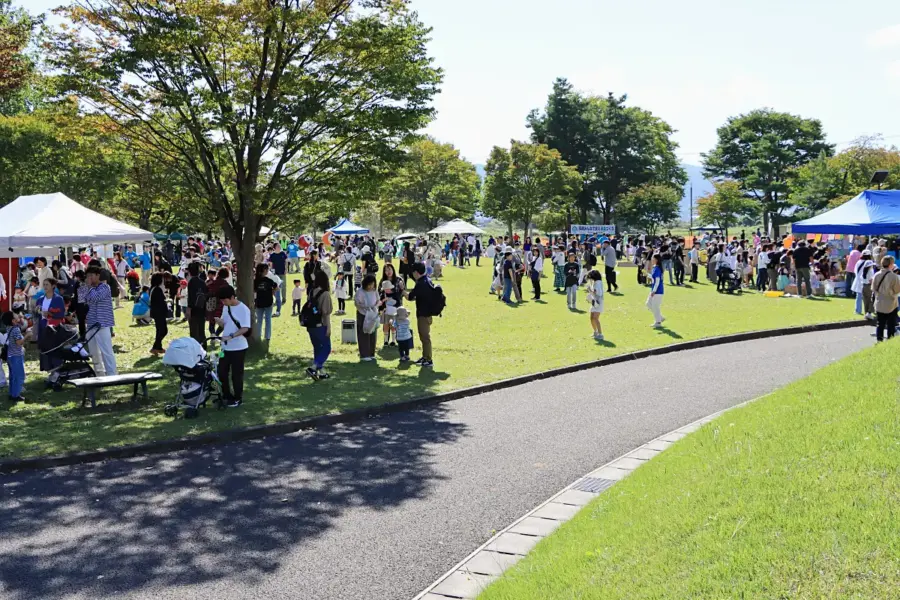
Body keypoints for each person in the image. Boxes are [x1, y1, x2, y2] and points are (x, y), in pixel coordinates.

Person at [216, 284, 250, 407]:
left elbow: (245, 328)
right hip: (225, 346)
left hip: (239, 347)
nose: (223, 303)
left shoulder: (243, 309)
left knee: (237, 374)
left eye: (225, 300)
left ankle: (237, 398)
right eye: (222, 301)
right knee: (222, 372)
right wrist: (219, 322)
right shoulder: (226, 307)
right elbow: (226, 324)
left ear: (232, 297)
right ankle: (227, 395)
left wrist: (231, 336)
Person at [84, 265, 118, 376]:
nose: (89, 278)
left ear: (98, 275)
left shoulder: (105, 287)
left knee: (106, 351)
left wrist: (89, 288)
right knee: (93, 352)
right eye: (88, 276)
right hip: (91, 323)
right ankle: (99, 373)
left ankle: (112, 374)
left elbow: (95, 298)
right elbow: (82, 300)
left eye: (91, 276)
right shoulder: (87, 288)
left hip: (102, 323)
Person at [407, 262, 439, 368]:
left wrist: (403, 291)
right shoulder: (427, 280)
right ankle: (425, 357)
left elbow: (410, 297)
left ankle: (428, 359)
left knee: (425, 338)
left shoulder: (420, 283)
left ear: (416, 272)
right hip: (427, 313)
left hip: (423, 314)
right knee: (424, 337)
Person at [304, 270, 333, 380]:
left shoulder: (311, 292)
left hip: (311, 324)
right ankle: (313, 367)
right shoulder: (325, 294)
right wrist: (329, 327)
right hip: (321, 324)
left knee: (317, 348)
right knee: (326, 348)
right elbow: (326, 312)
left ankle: (321, 372)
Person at [872, 256, 900, 342]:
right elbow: (897, 290)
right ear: (891, 264)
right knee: (891, 324)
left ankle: (879, 340)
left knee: (880, 323)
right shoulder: (894, 276)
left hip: (879, 301)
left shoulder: (876, 275)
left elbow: (873, 288)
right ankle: (889, 340)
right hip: (891, 303)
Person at [355, 274, 380, 361]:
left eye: (372, 285)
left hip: (373, 314)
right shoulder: (360, 292)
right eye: (369, 285)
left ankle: (371, 353)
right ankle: (364, 355)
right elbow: (357, 303)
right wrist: (365, 307)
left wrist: (375, 307)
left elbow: (378, 300)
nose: (370, 287)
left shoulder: (375, 291)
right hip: (363, 314)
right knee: (363, 333)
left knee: (373, 333)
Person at [2, 311, 25, 403]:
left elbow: (20, 322)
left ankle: (13, 393)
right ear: (13, 320)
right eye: (15, 315)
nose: (17, 315)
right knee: (19, 376)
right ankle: (15, 395)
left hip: (10, 356)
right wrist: (27, 335)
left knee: (12, 376)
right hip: (16, 356)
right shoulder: (15, 329)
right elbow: (19, 342)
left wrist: (20, 318)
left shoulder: (9, 327)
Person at [253, 263, 277, 342]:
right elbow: (276, 287)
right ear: (265, 270)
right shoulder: (268, 280)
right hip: (268, 302)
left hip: (259, 302)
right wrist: (272, 293)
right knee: (268, 320)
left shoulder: (255, 281)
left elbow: (254, 291)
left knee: (259, 320)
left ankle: (258, 336)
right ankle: (267, 336)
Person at [186, 262, 208, 348]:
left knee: (194, 331)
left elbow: (191, 297)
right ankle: (203, 347)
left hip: (194, 309)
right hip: (202, 308)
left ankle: (196, 348)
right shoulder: (202, 282)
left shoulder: (191, 282)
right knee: (201, 330)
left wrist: (189, 309)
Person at [851, 251, 876, 318]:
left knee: (859, 297)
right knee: (869, 298)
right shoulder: (868, 263)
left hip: (859, 281)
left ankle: (858, 310)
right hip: (866, 282)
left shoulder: (858, 262)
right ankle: (869, 312)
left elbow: (855, 271)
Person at [149, 273, 168, 355]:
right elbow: (160, 301)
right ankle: (155, 347)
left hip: (156, 312)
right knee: (163, 330)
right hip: (159, 313)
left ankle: (158, 347)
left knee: (159, 330)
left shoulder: (152, 288)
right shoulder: (157, 289)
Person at [268, 243, 288, 311]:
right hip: (276, 274)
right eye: (278, 246)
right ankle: (277, 299)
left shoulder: (283, 254)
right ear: (274, 248)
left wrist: (286, 269)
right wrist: (272, 273)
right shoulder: (272, 255)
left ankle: (284, 298)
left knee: (284, 286)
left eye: (280, 246)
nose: (279, 247)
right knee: (276, 287)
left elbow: (286, 262)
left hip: (283, 272)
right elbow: (271, 265)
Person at [647, 254, 665, 328]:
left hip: (657, 291)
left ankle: (658, 322)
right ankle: (660, 317)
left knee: (655, 306)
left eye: (653, 258)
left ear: (656, 260)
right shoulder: (655, 268)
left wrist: (654, 291)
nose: (651, 259)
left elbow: (657, 281)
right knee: (648, 304)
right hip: (654, 289)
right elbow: (654, 278)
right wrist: (648, 275)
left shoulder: (657, 269)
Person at [586, 270, 605, 340]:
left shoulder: (598, 283)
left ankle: (600, 334)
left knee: (596, 318)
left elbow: (598, 293)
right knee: (591, 318)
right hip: (595, 302)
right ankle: (595, 332)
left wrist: (590, 291)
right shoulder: (596, 282)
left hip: (598, 302)